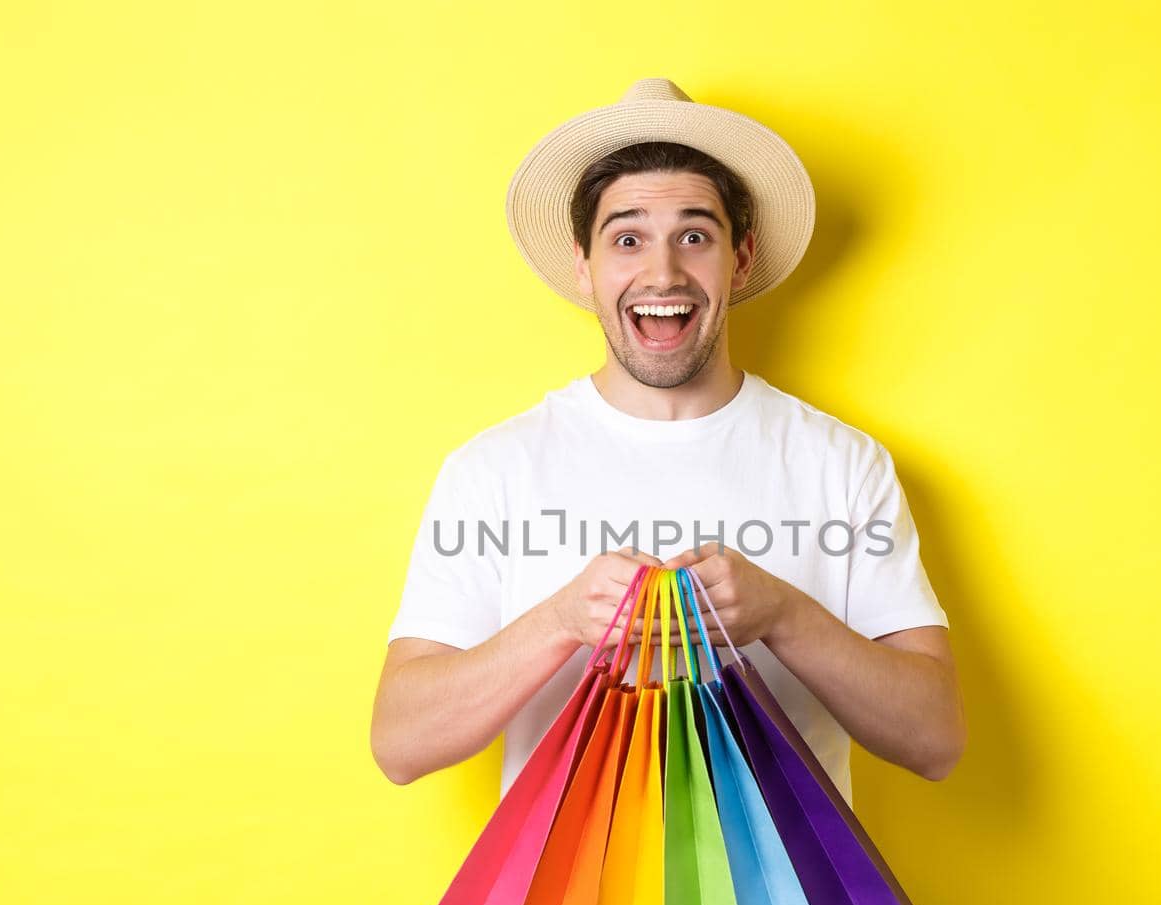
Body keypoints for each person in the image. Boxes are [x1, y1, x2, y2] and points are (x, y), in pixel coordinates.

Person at [370, 78, 965, 804]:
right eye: (627, 238)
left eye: (694, 235)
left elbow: (936, 739)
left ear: (739, 260)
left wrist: (781, 613)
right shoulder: (491, 471)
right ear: (584, 267)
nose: (663, 273)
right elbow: (400, 742)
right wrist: (560, 621)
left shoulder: (842, 465)